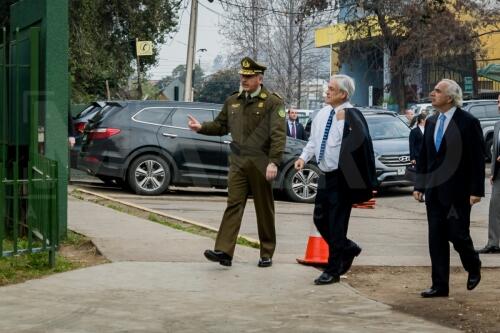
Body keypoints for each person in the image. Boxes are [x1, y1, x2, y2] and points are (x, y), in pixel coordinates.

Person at [187, 57, 286, 268]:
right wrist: (201, 127)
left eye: (248, 76)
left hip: (261, 161)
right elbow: (221, 126)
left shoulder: (272, 102)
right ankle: (224, 251)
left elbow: (278, 134)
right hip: (238, 161)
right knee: (233, 204)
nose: (244, 79)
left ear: (259, 79)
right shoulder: (233, 101)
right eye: (242, 76)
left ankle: (266, 252)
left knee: (264, 208)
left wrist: (274, 162)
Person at [294, 74, 377, 285]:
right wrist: (303, 158)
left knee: (337, 223)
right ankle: (347, 248)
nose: (327, 91)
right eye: (327, 88)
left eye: (331, 89)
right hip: (325, 174)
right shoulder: (322, 113)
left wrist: (342, 123)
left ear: (343, 94)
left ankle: (333, 270)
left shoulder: (351, 115)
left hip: (343, 176)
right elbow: (313, 141)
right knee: (320, 219)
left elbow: (356, 144)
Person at [413, 79, 485, 298]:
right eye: (433, 90)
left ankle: (473, 264)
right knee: (436, 238)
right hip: (434, 192)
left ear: (450, 97)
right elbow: (425, 156)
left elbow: (477, 159)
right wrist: (420, 185)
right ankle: (439, 285)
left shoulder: (468, 122)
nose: (432, 94)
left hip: (458, 192)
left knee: (457, 234)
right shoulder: (432, 121)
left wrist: (476, 190)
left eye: (437, 91)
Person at [477, 94, 500, 254]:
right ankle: (494, 243)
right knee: (495, 207)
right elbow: (495, 151)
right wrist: (493, 173)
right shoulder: (497, 125)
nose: (498, 105)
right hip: (499, 175)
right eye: (497, 102)